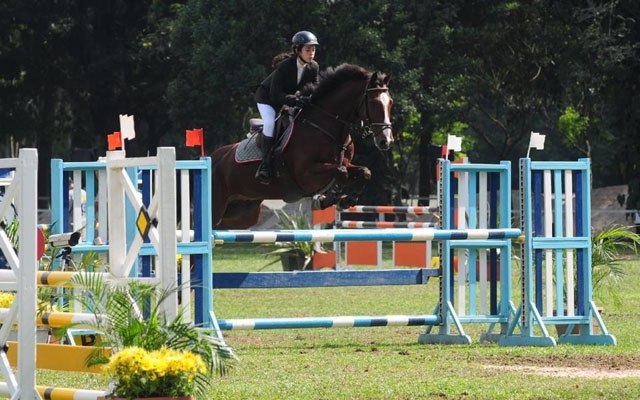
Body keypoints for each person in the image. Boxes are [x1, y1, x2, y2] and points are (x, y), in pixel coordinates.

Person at [254, 30, 320, 184]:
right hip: (267, 99)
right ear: (297, 50)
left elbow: (315, 89)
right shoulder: (285, 66)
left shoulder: (314, 67)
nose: (311, 53)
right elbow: (275, 94)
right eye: (308, 50)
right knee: (270, 124)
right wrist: (296, 101)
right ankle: (265, 166)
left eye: (313, 50)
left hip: (288, 100)